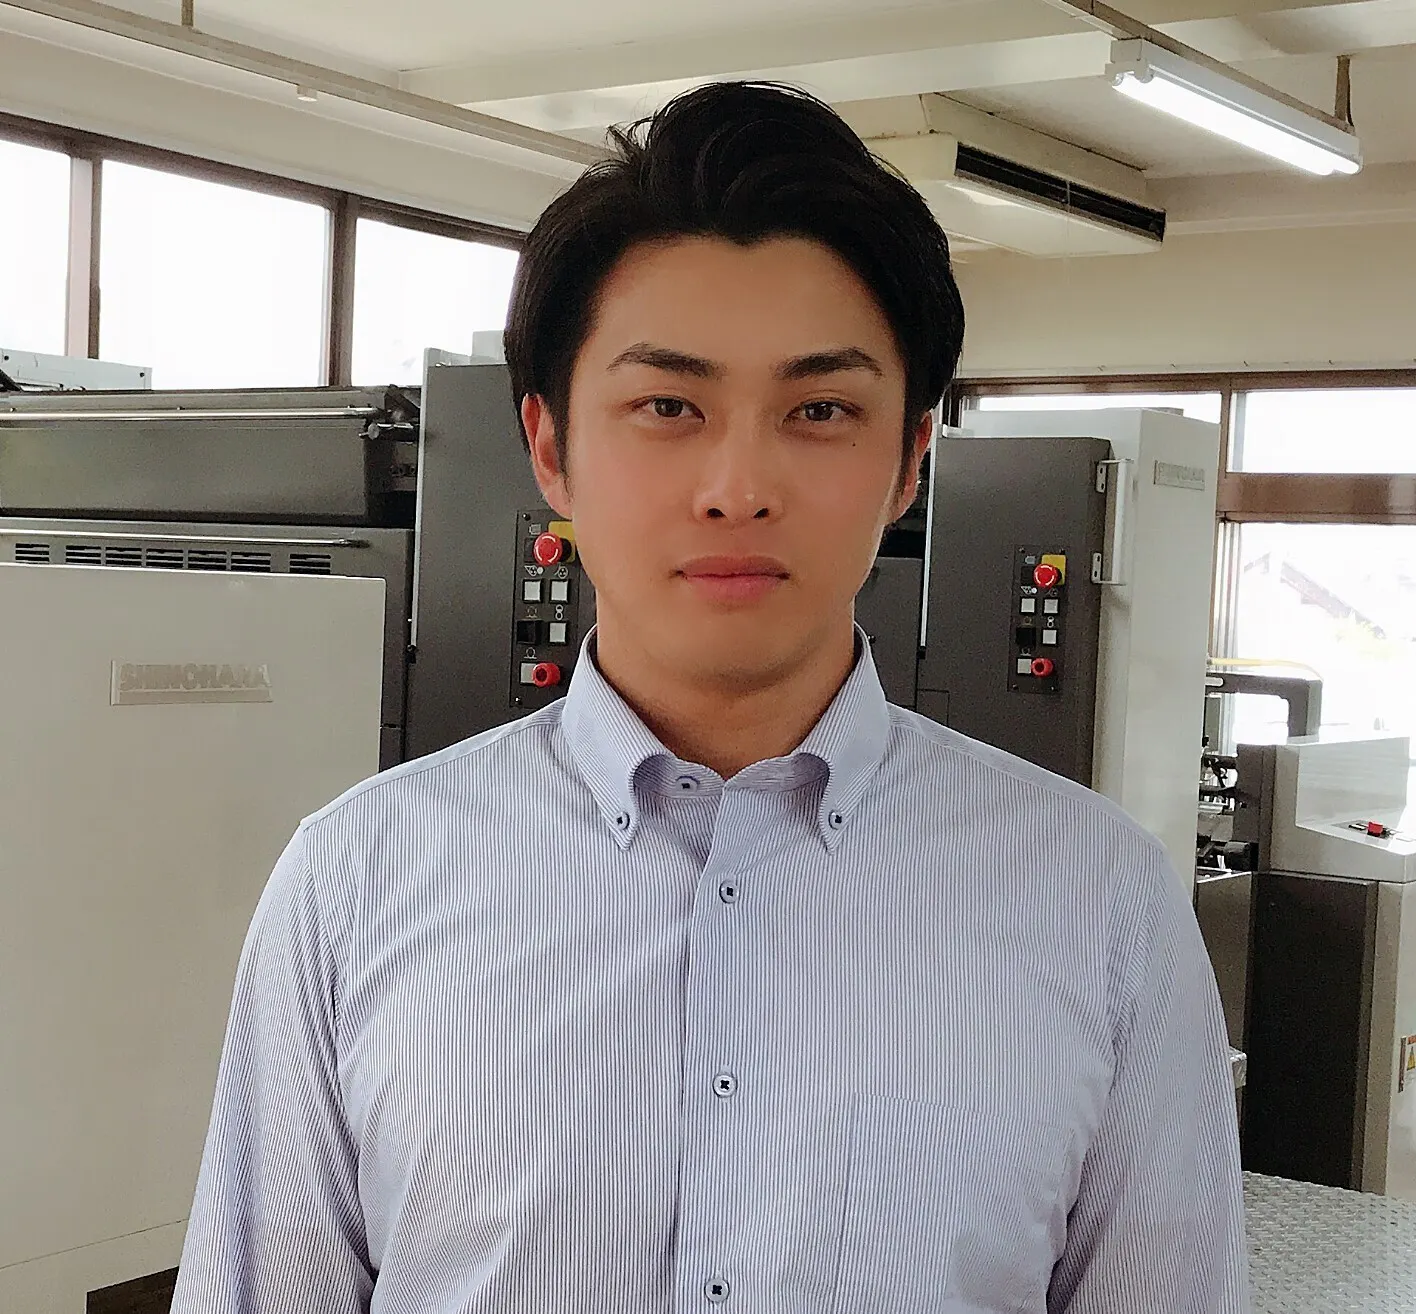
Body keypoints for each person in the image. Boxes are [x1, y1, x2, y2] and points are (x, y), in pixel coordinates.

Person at [171, 81, 1249, 1313]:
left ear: (910, 461)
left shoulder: (1100, 904)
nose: (738, 486)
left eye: (820, 410)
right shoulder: (354, 884)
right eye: (668, 407)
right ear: (551, 448)